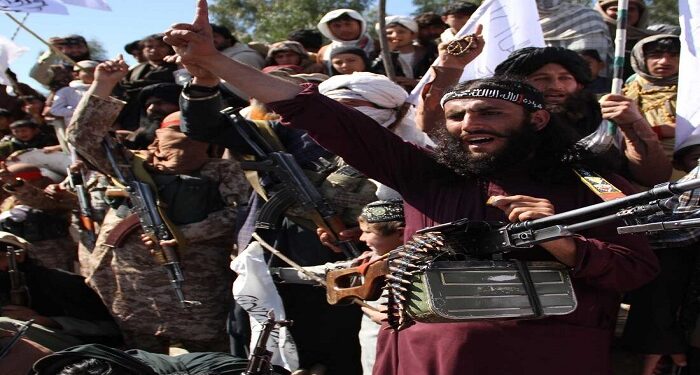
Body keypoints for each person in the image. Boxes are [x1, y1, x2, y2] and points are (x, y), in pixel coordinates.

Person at [164, 2, 660, 373]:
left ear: (537, 119)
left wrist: (563, 242)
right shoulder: (423, 173)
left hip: (548, 359)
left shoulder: (590, 181)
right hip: (422, 357)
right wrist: (216, 63)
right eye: (457, 115)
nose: (468, 124)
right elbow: (315, 110)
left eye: (489, 113)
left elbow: (638, 268)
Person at [65, 57, 251, 353]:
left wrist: (186, 233)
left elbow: (241, 215)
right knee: (142, 359)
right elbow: (82, 137)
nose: (182, 141)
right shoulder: (132, 165)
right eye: (173, 131)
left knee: (210, 360)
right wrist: (102, 85)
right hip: (135, 293)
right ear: (158, 134)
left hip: (199, 290)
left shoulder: (223, 170)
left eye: (191, 134)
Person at [494, 46, 672, 187]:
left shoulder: (606, 121)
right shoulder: (501, 123)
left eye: (565, 78)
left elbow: (654, 178)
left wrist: (633, 125)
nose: (556, 86)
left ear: (579, 84)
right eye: (541, 78)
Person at [623, 34, 680, 177]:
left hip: (687, 168)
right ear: (642, 58)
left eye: (674, 55)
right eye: (656, 55)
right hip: (639, 167)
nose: (665, 61)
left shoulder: (693, 88)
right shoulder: (625, 92)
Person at [370, 16, 435, 91]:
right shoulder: (376, 55)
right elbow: (374, 74)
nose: (395, 35)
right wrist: (388, 53)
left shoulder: (429, 54)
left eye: (401, 32)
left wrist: (417, 83)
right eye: (389, 33)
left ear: (413, 35)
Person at [49, 60, 98, 125]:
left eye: (95, 71)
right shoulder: (66, 91)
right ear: (76, 74)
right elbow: (55, 110)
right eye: (88, 71)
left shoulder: (104, 88)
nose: (92, 74)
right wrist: (77, 111)